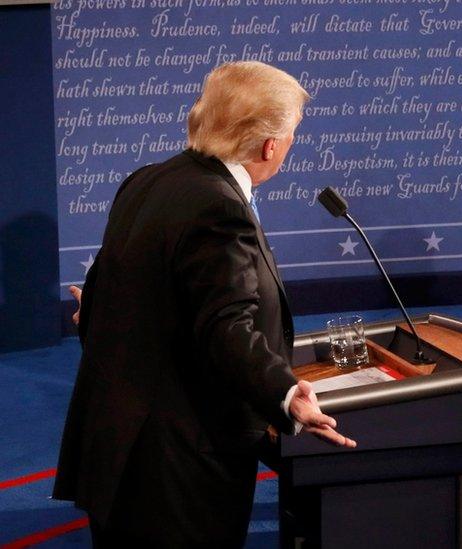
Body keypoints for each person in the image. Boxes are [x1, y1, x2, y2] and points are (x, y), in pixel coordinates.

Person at [53, 61, 356, 546]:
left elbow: (135, 284)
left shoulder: (147, 181)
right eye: (293, 134)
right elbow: (225, 325)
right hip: (175, 470)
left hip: (119, 453)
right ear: (269, 145)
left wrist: (104, 308)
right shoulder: (219, 207)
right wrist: (285, 393)